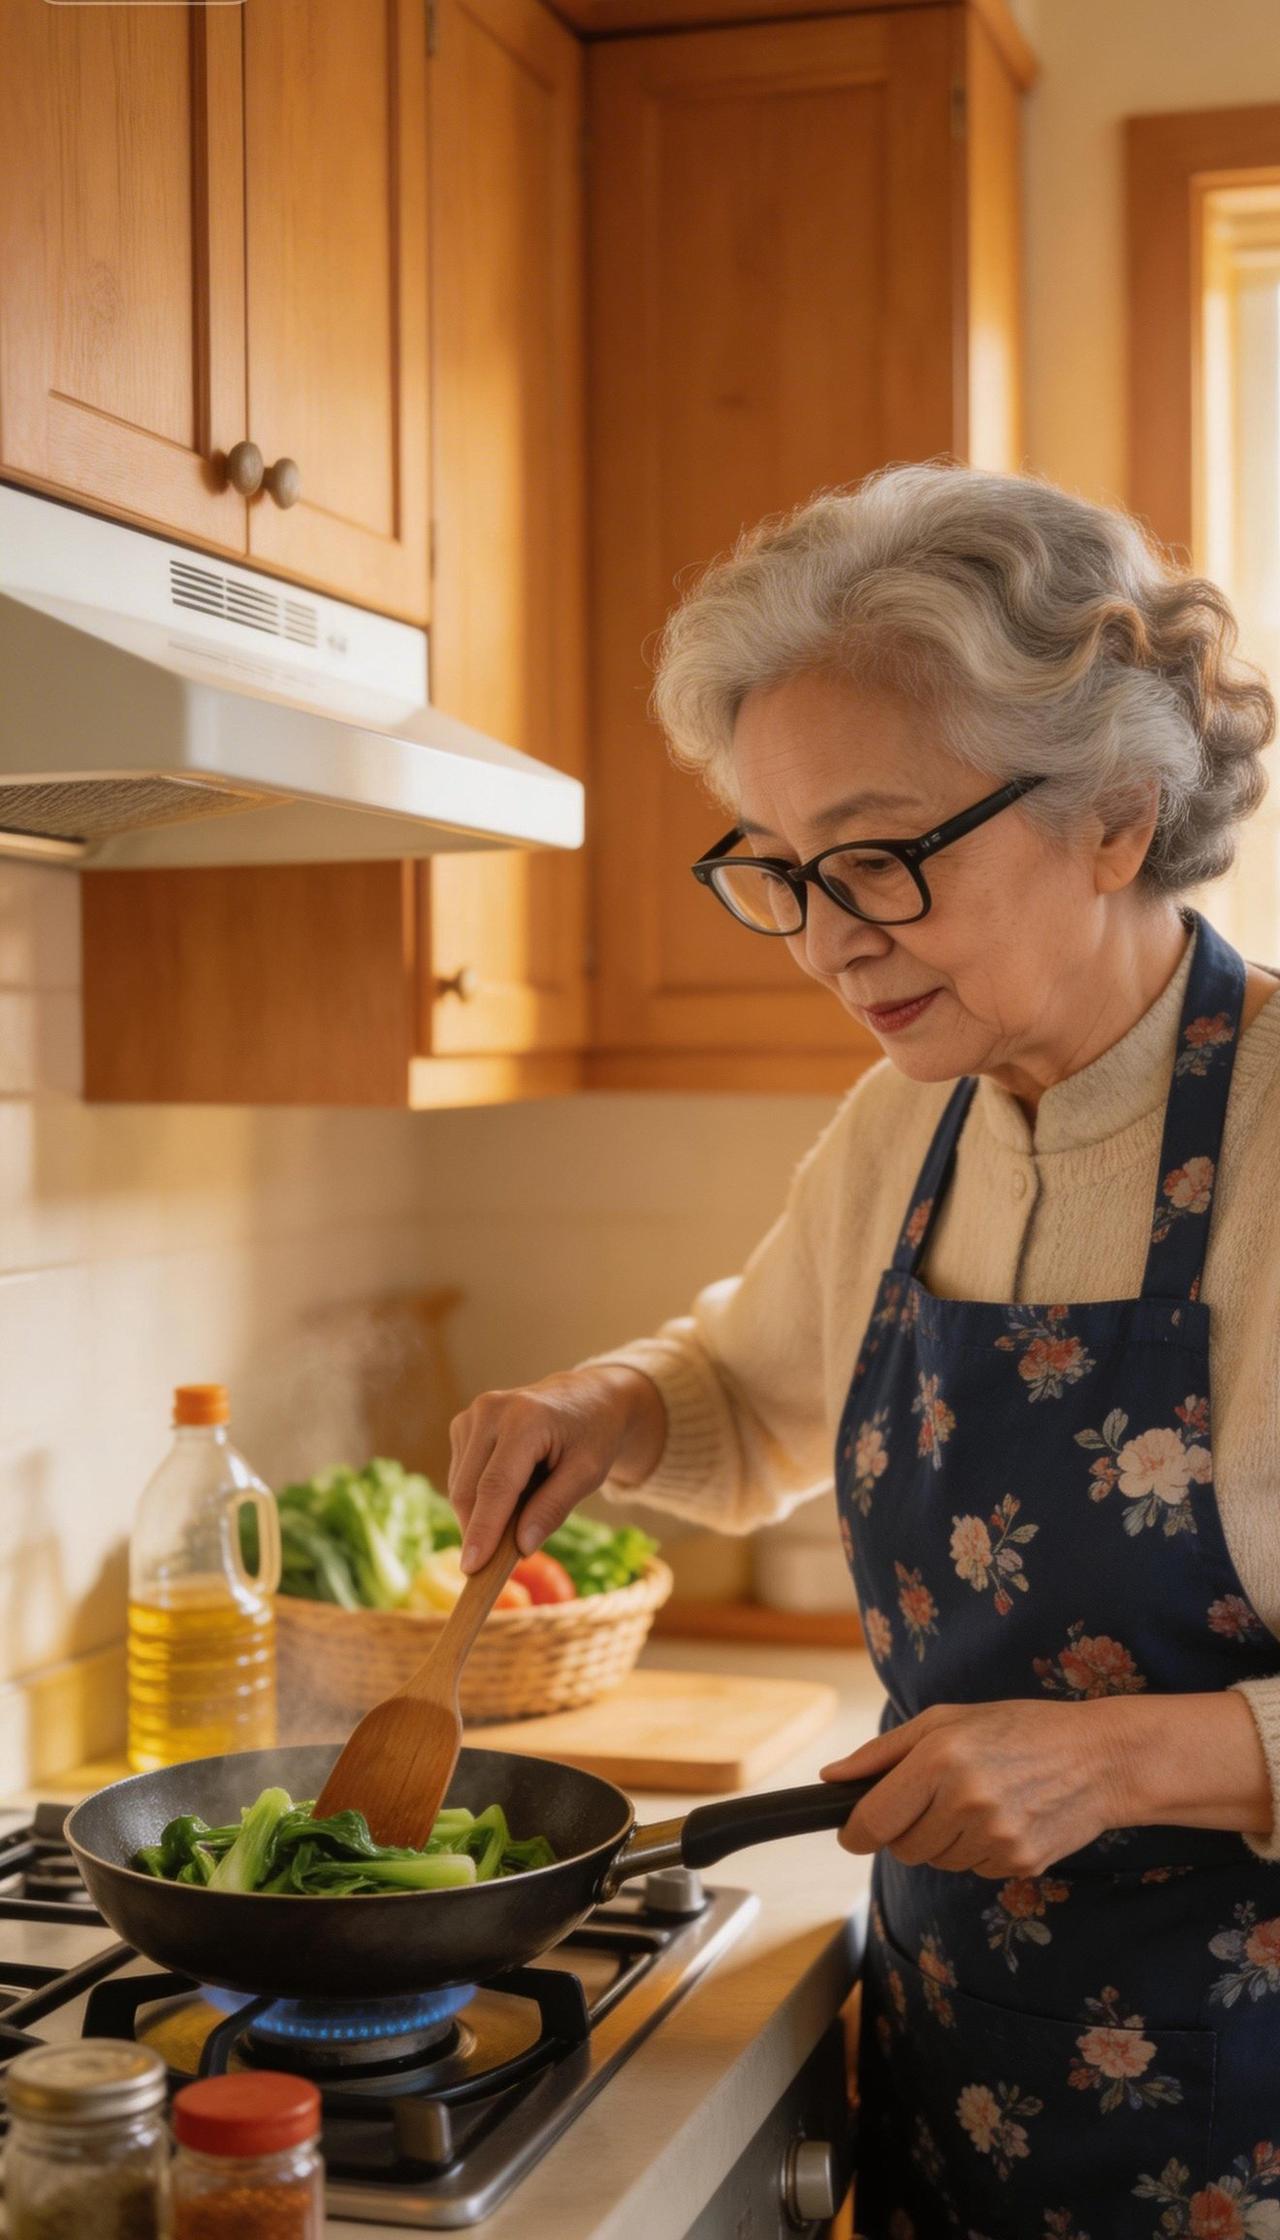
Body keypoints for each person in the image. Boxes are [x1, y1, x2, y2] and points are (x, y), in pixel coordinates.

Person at [446, 462, 1280, 2238]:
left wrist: (1130, 1759)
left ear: (1117, 812)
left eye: (883, 857)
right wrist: (603, 1406)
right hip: (947, 2067)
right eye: (783, 868)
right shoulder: (914, 1122)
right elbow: (746, 1386)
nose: (827, 940)